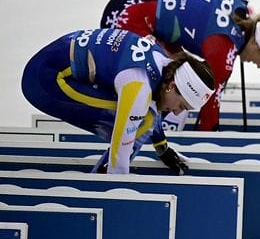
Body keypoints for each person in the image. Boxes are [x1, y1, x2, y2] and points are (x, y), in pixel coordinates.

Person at [21, 27, 216, 174]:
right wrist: (116, 197)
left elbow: (153, 107)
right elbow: (119, 157)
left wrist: (162, 147)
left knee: (145, 118)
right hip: (43, 82)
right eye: (182, 106)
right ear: (172, 86)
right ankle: (96, 187)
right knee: (143, 122)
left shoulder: (163, 62)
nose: (177, 112)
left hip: (50, 65)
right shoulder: (138, 86)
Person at [100, 0, 260, 131]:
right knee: (169, 88)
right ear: (258, 44)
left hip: (131, 8)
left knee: (181, 78)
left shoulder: (242, 10)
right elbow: (209, 119)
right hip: (126, 18)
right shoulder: (223, 52)